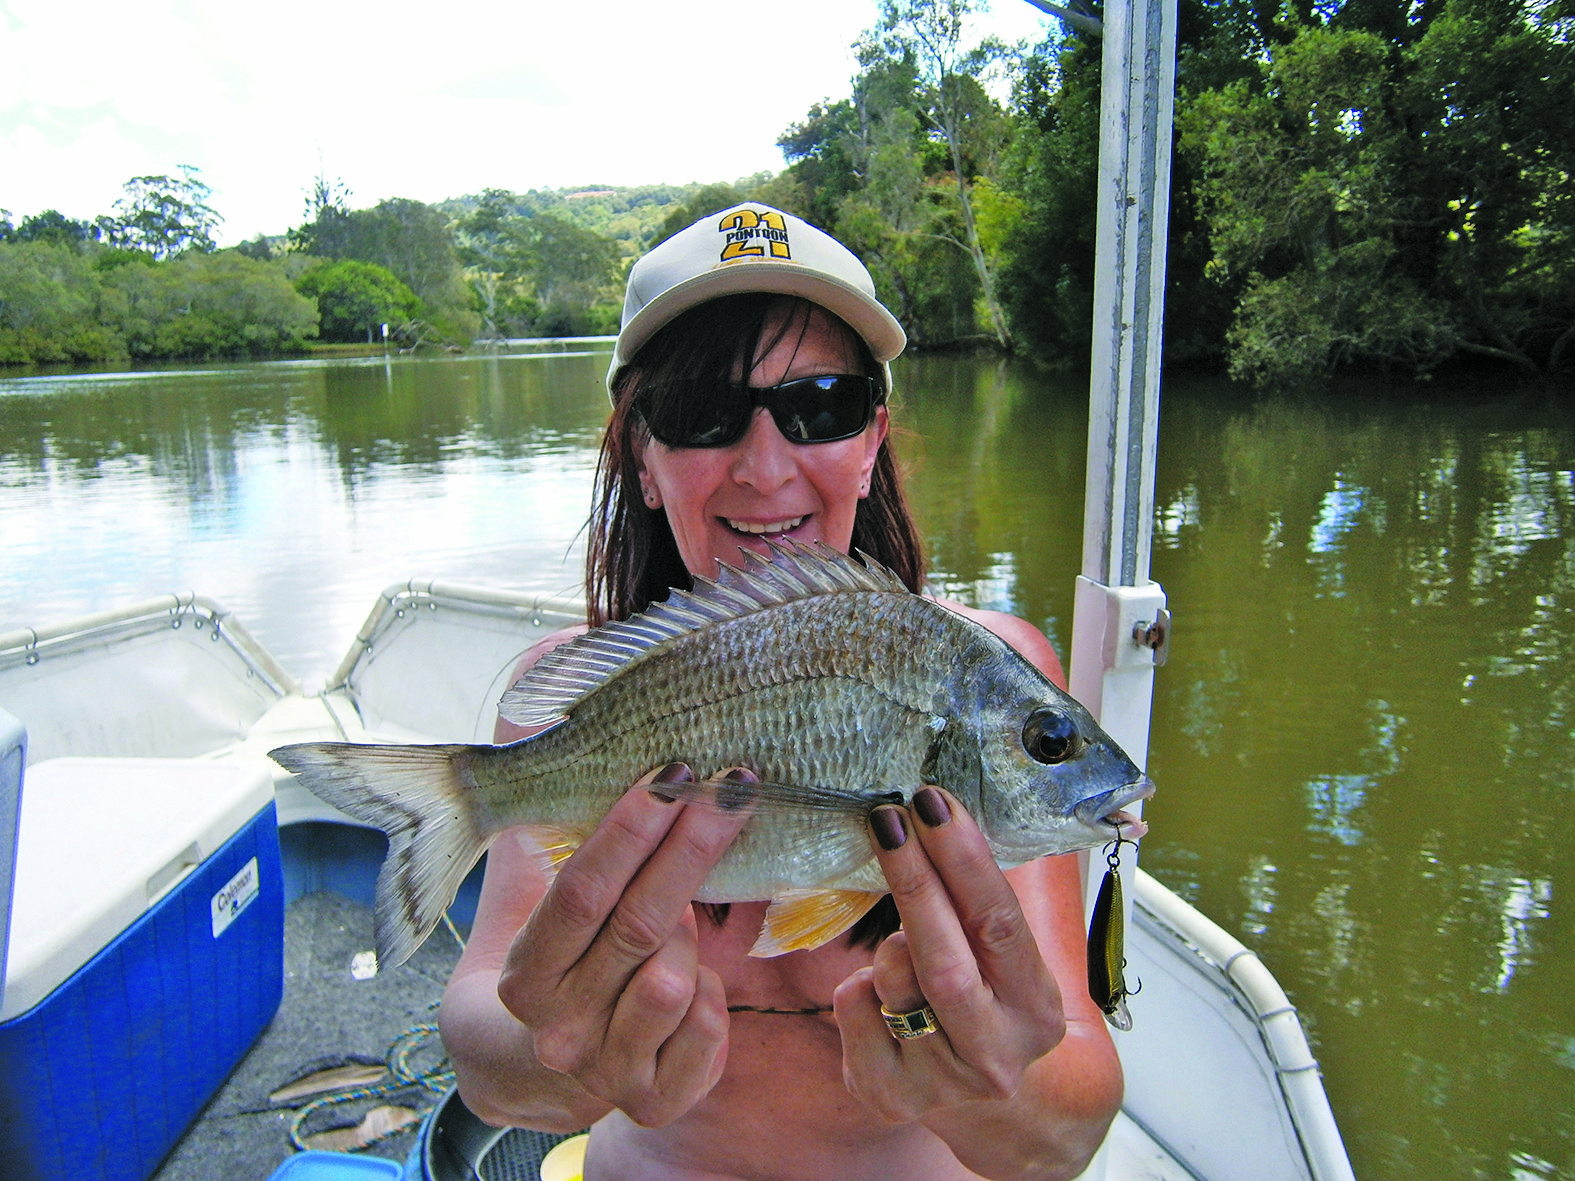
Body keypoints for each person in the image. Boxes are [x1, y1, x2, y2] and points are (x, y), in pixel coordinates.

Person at [439, 204, 1122, 1180]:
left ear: (872, 437)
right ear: (641, 454)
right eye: (701, 412)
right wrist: (559, 1055)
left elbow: (1072, 1124)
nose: (765, 468)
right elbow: (483, 1052)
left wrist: (995, 1081)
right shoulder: (560, 698)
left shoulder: (991, 670)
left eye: (822, 404)